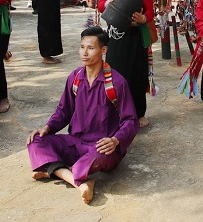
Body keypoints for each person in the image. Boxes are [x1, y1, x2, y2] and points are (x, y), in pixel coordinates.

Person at [27, 26, 138, 204]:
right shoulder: (75, 77)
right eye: (82, 47)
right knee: (35, 141)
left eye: (90, 48)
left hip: (101, 148)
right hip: (75, 141)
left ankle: (54, 168)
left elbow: (131, 121)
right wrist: (47, 128)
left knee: (91, 160)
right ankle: (80, 182)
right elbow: (64, 111)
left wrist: (115, 140)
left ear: (103, 50)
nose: (84, 53)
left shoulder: (116, 82)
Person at [97, 0, 154, 128]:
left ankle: (138, 113)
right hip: (115, 36)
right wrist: (108, 2)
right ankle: (114, 112)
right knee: (114, 74)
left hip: (136, 36)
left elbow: (150, 12)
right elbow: (100, 5)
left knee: (137, 75)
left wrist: (142, 19)